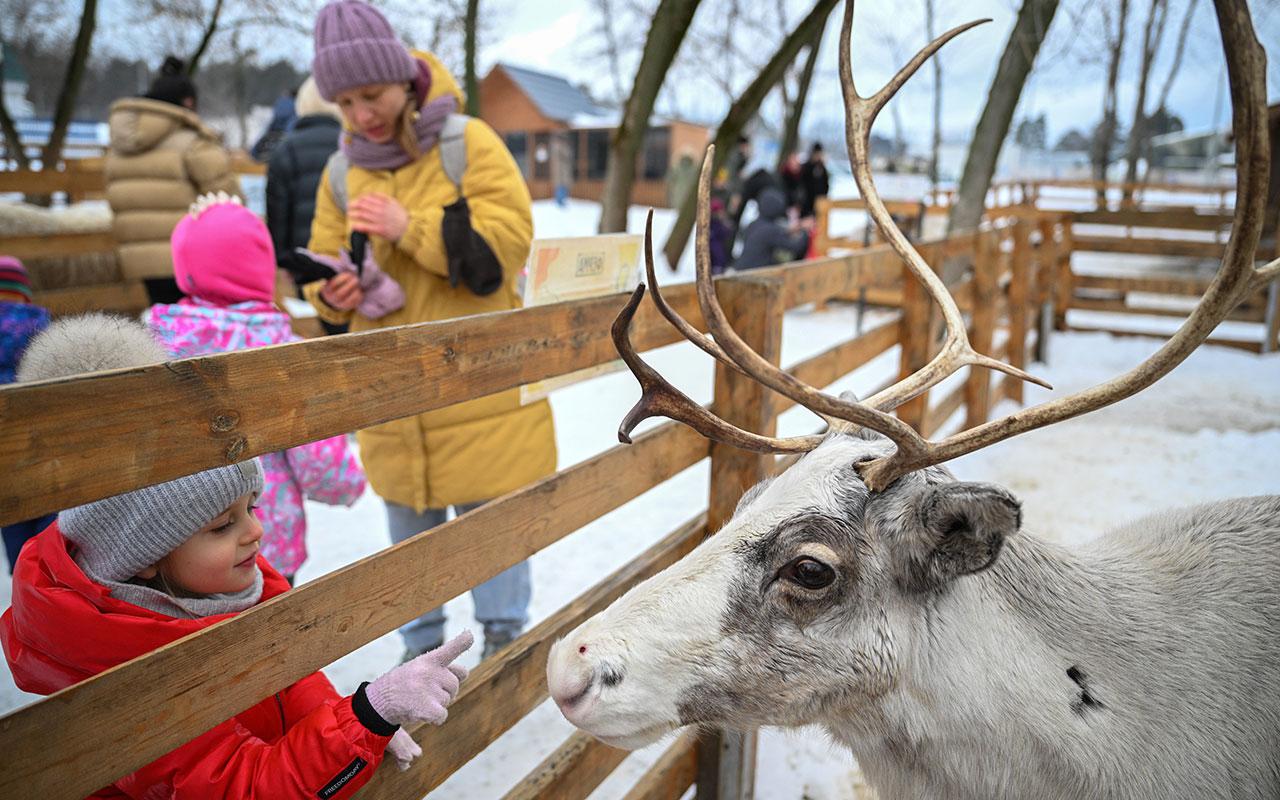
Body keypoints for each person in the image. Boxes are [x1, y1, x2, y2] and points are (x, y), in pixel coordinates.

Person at [0, 316, 473, 797]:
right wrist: (370, 714)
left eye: (252, 507)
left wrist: (356, 729)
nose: (257, 530)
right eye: (222, 525)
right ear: (141, 555)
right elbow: (242, 787)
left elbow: (287, 677)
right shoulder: (126, 681)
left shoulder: (230, 588)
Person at [303, 0, 557, 661]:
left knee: (489, 529)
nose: (362, 114)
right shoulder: (340, 170)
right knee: (410, 537)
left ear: (403, 78)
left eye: (373, 93)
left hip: (479, 390)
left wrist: (408, 229)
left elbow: (509, 240)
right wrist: (332, 291)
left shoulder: (465, 141)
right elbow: (323, 255)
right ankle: (419, 654)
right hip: (393, 398)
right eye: (347, 101)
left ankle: (506, 645)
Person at [145, 193, 367, 583]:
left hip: (175, 548)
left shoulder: (152, 344)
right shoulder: (280, 352)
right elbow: (319, 462)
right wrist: (348, 485)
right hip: (263, 544)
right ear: (260, 269)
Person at [105, 55, 243, 306]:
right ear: (188, 102)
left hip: (140, 260)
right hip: (190, 260)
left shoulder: (119, 148)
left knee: (165, 329)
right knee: (198, 333)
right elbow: (229, 198)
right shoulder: (193, 143)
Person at [266, 76, 347, 334]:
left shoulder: (284, 150)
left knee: (315, 326)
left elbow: (278, 214)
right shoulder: (352, 145)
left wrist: (285, 261)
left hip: (305, 261)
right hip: (345, 256)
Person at [0, 256, 52, 570]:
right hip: (41, 449)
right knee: (49, 520)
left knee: (11, 518)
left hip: (3, 462)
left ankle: (20, 570)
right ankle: (49, 572)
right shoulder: (40, 326)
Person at [733, 187, 811, 271]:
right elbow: (795, 247)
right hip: (754, 273)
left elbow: (773, 235)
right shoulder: (771, 230)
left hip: (740, 269)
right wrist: (806, 231)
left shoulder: (754, 224)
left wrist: (793, 229)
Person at [251, 90, 298, 163]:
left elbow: (267, 130)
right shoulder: (297, 108)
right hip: (285, 150)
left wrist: (253, 153)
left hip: (268, 146)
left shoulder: (279, 105)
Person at [799, 141, 830, 219]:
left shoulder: (822, 167)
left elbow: (825, 184)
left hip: (819, 201)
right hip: (807, 202)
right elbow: (803, 183)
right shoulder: (806, 166)